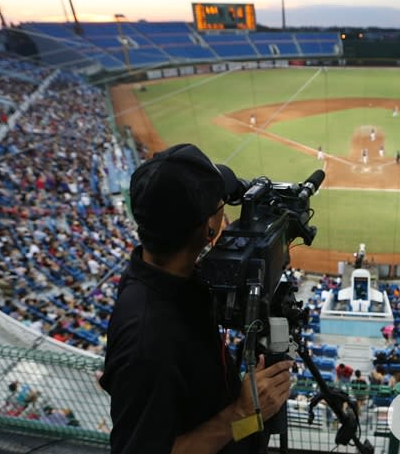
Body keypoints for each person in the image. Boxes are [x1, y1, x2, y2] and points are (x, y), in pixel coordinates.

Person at [100, 144, 293, 454]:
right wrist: (241, 412)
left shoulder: (172, 276)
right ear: (209, 228)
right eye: (220, 206)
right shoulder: (147, 341)